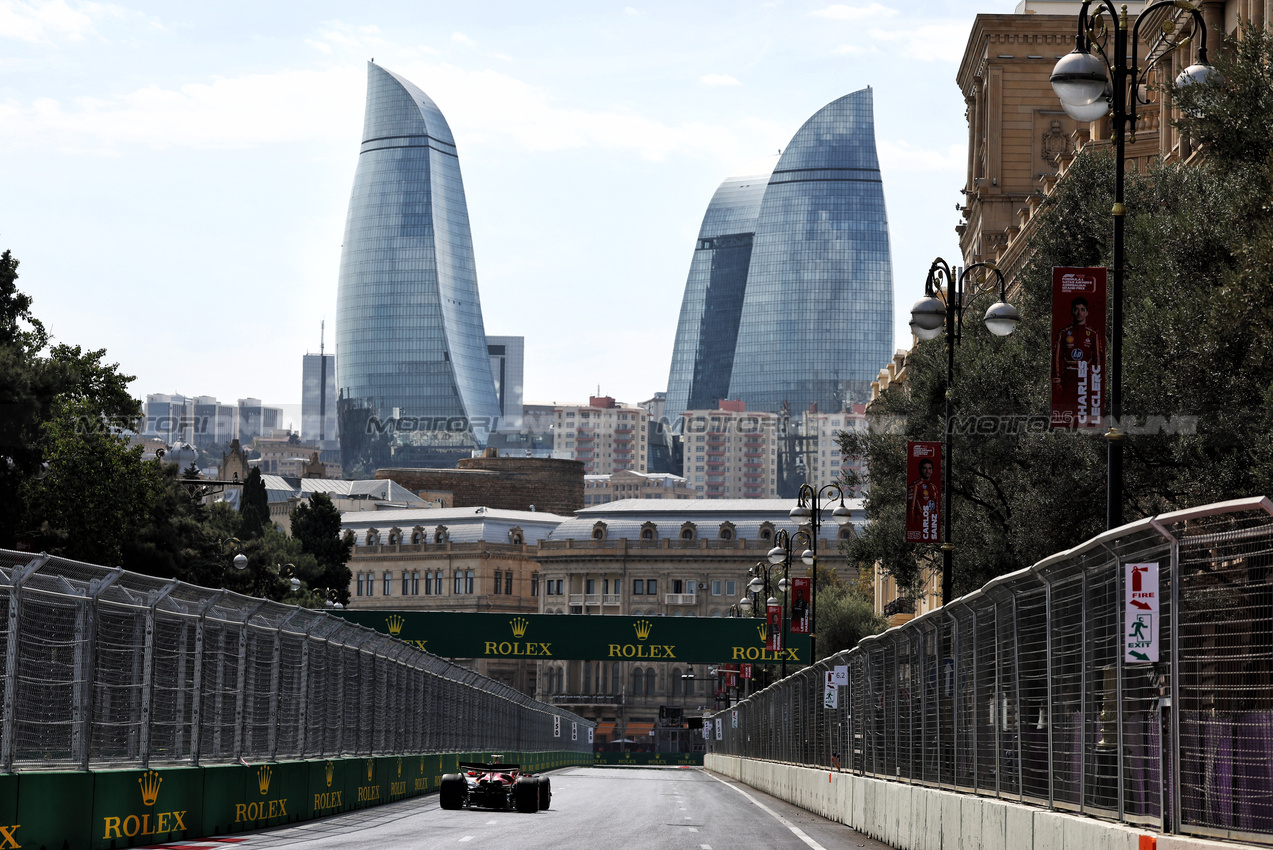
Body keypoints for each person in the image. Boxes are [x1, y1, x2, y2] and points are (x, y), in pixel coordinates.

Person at [1052, 295, 1105, 427]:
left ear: (1087, 312)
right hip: (1068, 376)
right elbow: (1057, 357)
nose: (1079, 313)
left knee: (1085, 411)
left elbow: (1098, 357)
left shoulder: (1093, 334)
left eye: (1082, 310)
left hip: (1085, 376)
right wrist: (1057, 379)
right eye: (1076, 309)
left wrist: (1096, 378)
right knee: (1069, 410)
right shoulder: (1064, 333)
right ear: (1072, 311)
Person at [907, 458, 940, 541]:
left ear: (932, 470)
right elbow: (911, 507)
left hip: (932, 526)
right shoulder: (916, 485)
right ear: (920, 470)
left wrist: (939, 524)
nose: (927, 471)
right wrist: (912, 526)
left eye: (929, 468)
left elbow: (936, 508)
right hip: (920, 524)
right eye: (924, 468)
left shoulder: (934, 487)